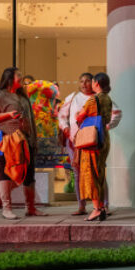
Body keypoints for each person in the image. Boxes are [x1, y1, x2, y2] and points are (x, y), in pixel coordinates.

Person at [0, 66, 43, 220]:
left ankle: (30, 207)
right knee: (7, 172)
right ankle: (6, 208)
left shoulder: (22, 96)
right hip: (9, 139)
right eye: (19, 76)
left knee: (29, 172)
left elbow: (30, 118)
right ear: (10, 79)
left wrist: (33, 139)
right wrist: (7, 115)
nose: (21, 78)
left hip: (26, 139)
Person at [75, 72, 115, 222]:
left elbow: (80, 117)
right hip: (103, 137)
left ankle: (97, 208)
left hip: (92, 139)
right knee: (100, 173)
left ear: (96, 83)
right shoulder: (107, 98)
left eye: (92, 81)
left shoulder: (93, 99)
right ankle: (102, 207)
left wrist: (78, 114)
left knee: (90, 173)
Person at [56, 72, 95, 214]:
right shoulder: (72, 98)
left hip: (93, 140)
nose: (84, 84)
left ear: (93, 83)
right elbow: (61, 116)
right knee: (78, 174)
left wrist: (106, 127)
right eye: (81, 81)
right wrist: (65, 128)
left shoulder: (98, 98)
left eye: (87, 81)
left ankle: (103, 205)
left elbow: (114, 114)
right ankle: (81, 205)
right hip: (74, 142)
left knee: (96, 172)